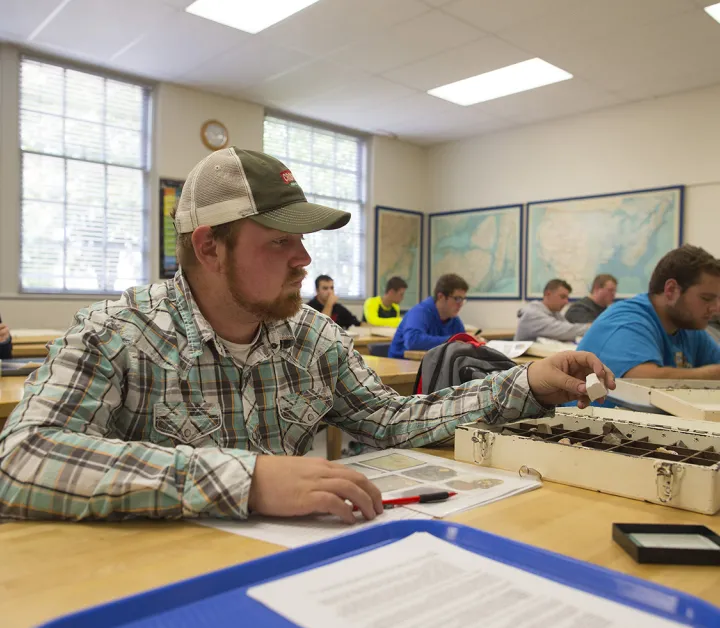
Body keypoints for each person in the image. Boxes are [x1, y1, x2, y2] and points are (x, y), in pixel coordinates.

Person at [0, 147, 614, 523]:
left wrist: (527, 383)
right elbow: (20, 460)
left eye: (303, 240)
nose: (302, 259)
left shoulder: (312, 337)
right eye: (279, 241)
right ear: (210, 246)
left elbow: (394, 422)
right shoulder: (116, 335)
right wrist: (247, 479)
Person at [578, 245, 720, 382]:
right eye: (706, 298)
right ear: (671, 290)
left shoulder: (688, 326)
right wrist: (712, 374)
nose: (716, 308)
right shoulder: (628, 321)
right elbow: (642, 380)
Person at [388, 274, 468, 359]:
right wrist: (452, 340)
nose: (461, 304)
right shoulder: (420, 312)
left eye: (463, 299)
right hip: (402, 364)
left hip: (431, 365)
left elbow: (462, 342)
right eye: (457, 299)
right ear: (441, 297)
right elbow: (413, 341)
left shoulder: (454, 319)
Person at [515, 279, 591, 342]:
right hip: (524, 359)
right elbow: (567, 331)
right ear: (548, 294)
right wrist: (592, 327)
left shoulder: (555, 313)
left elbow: (569, 331)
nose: (566, 302)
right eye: (562, 297)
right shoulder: (532, 314)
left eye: (567, 298)